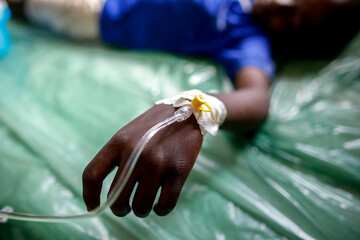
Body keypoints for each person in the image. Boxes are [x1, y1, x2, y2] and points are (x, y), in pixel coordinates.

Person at [6, 0, 274, 218]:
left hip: (99, 12)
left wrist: (197, 110)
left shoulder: (248, 38)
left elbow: (257, 99)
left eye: (298, 20)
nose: (282, 8)